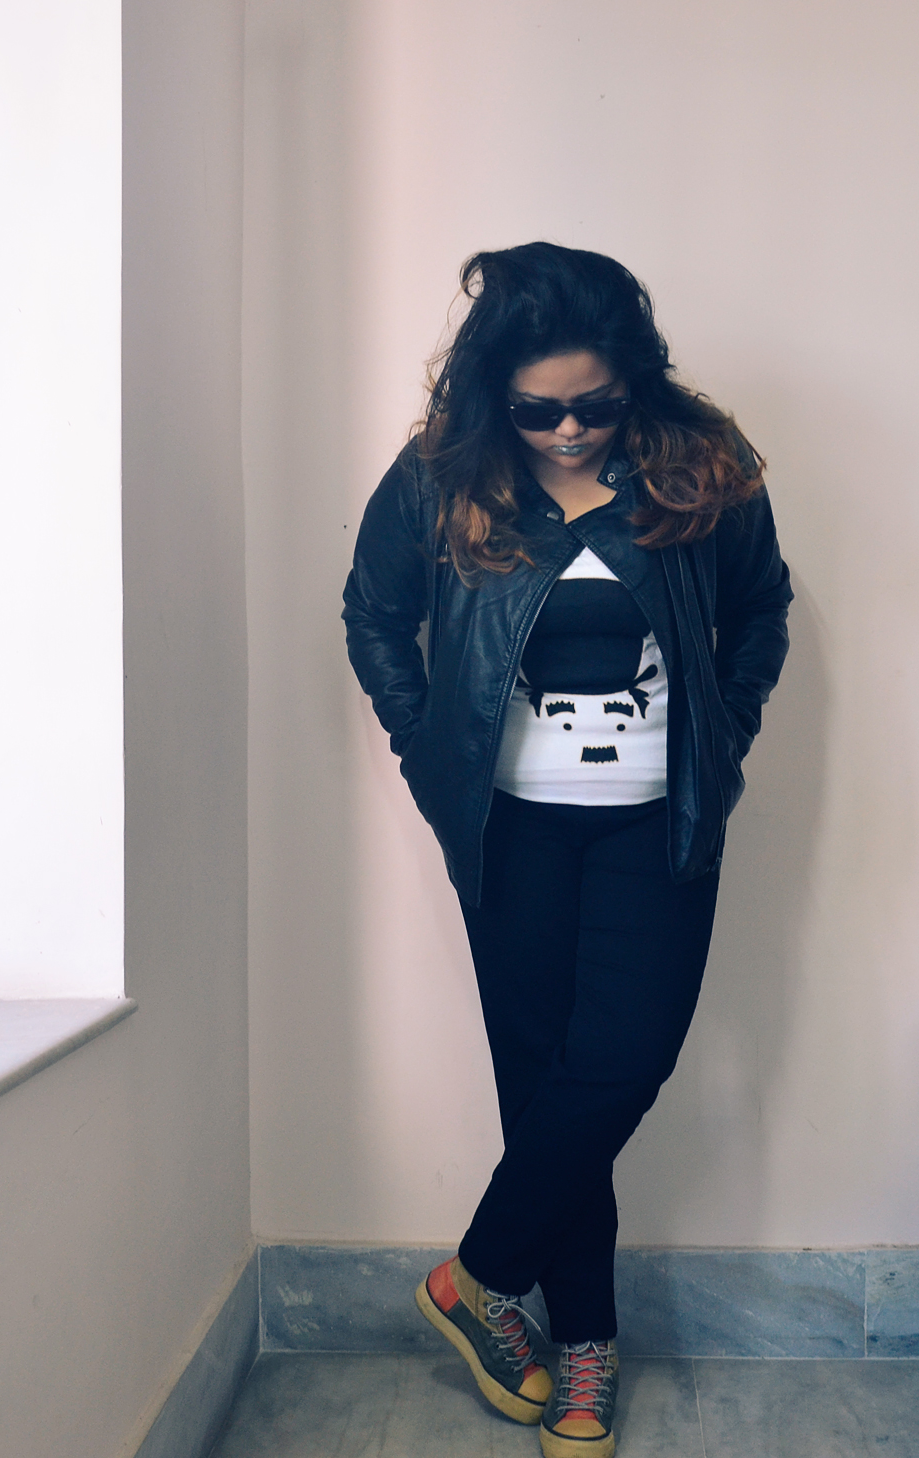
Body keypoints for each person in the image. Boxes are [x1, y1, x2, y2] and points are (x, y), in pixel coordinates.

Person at [342, 242, 791, 1458]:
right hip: (512, 826)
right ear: (497, 395)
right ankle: (583, 1345)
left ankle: (477, 1276)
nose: (571, 430)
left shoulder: (701, 466)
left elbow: (761, 608)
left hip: (659, 818)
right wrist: (425, 747)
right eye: (539, 410)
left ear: (635, 377)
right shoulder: (444, 473)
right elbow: (373, 613)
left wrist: (727, 729)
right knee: (544, 1082)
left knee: (623, 1061)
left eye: (596, 403)